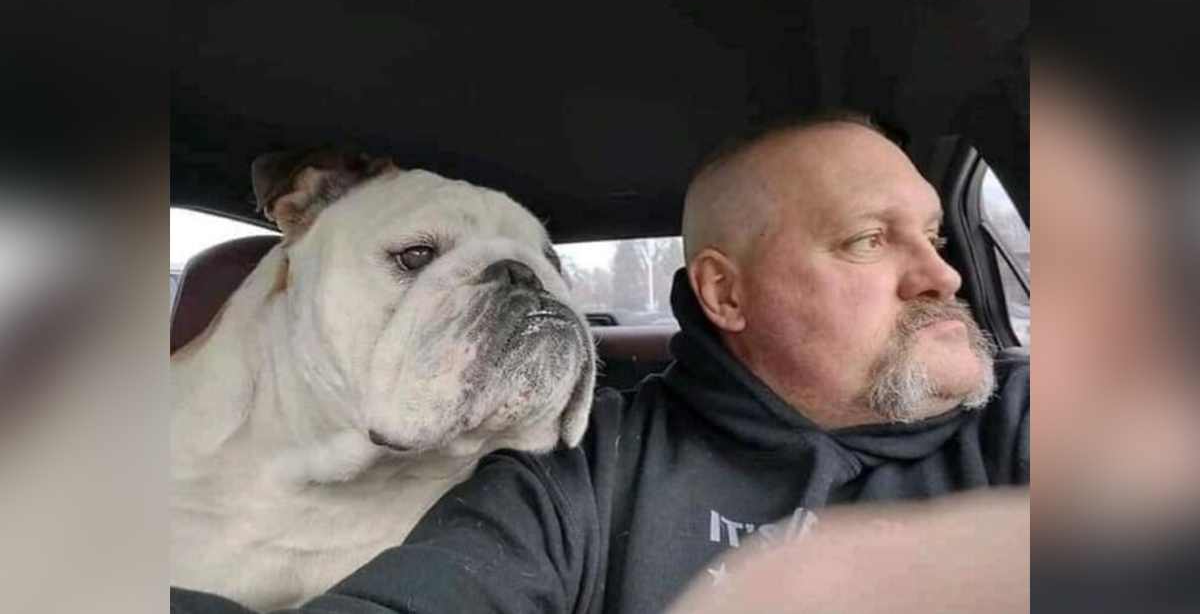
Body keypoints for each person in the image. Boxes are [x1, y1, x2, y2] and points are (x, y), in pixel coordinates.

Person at [171, 113, 1029, 613]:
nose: (943, 275)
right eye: (868, 240)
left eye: (937, 236)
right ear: (725, 293)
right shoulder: (586, 478)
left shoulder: (1033, 423)